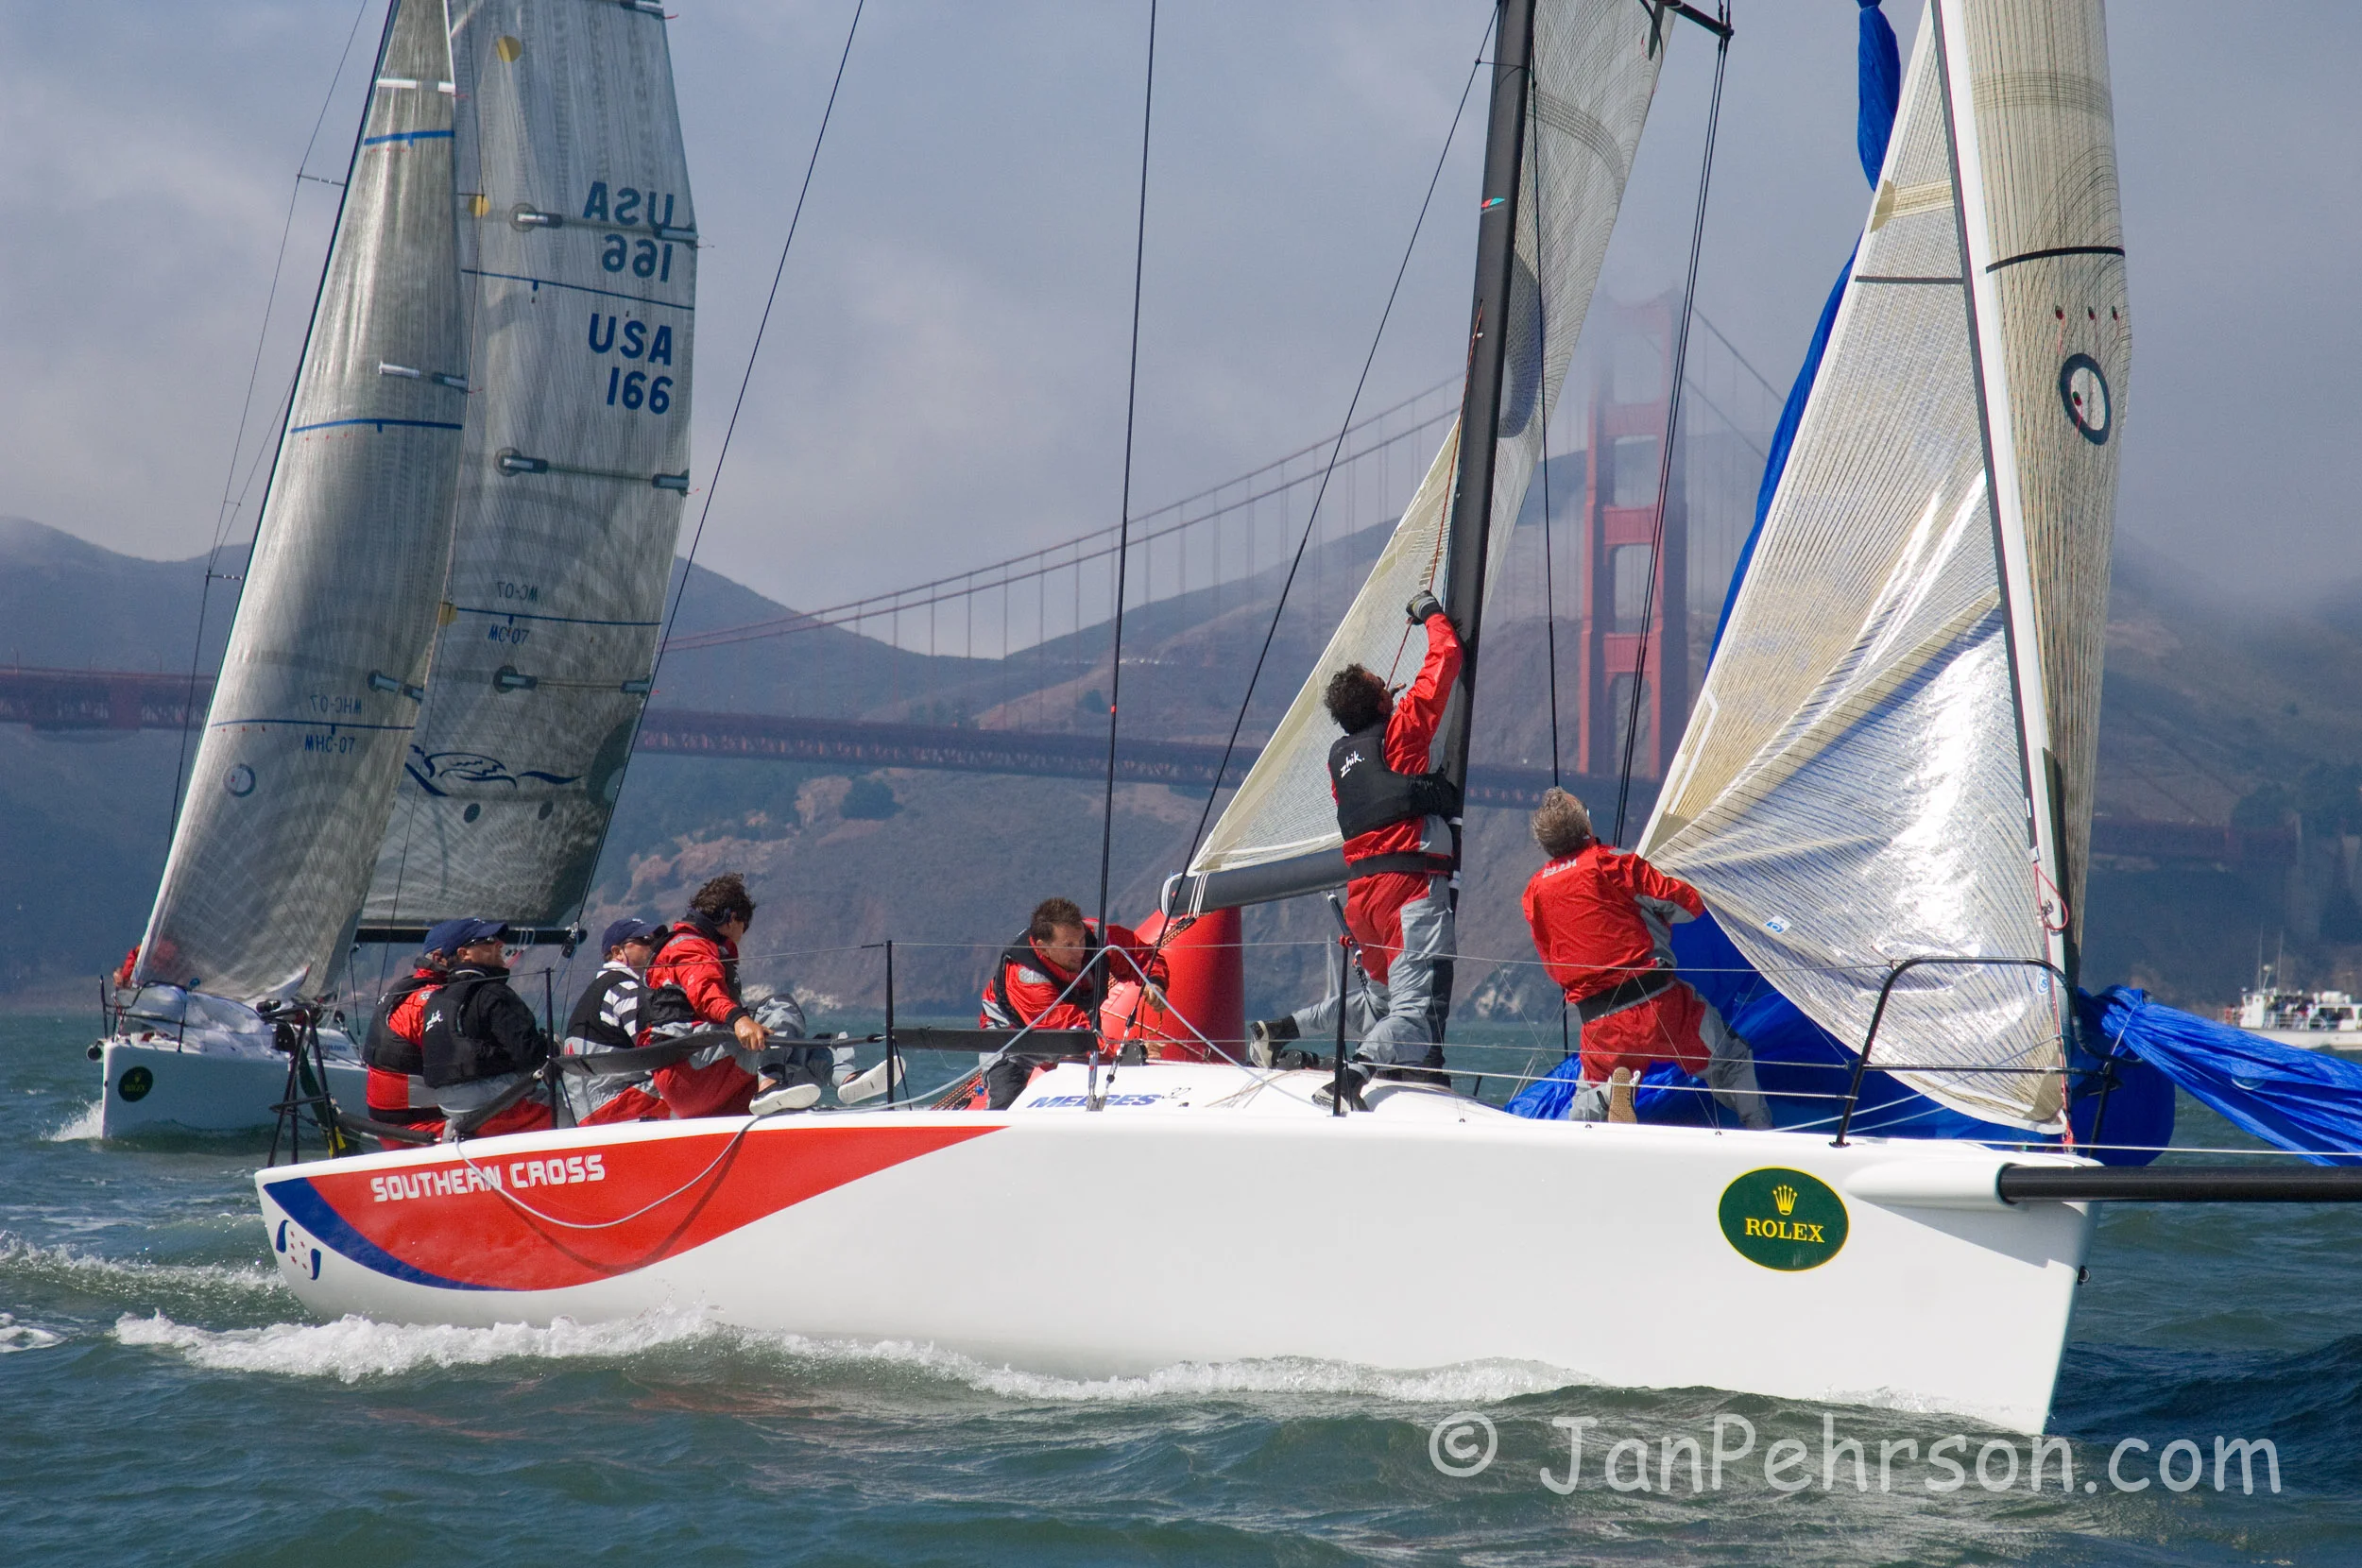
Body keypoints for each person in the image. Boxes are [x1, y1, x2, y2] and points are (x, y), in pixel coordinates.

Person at [1248, 590, 1463, 1109]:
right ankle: (1351, 1075)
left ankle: (1280, 1029)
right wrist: (1431, 613)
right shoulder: (1402, 728)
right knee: (1413, 1014)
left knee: (1378, 1000)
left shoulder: (1338, 758)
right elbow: (1447, 657)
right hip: (1408, 890)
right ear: (1381, 699)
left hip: (1362, 896)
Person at [1520, 788, 1771, 1129]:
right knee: (1730, 1059)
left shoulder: (1535, 891)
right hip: (1658, 1003)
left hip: (1598, 1018)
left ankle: (1604, 1107)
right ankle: (1760, 1130)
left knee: (1589, 1098)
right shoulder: (1612, 863)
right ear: (1585, 827)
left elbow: (1552, 959)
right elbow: (1686, 904)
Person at [642, 873, 827, 1118]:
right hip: (690, 1072)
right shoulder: (691, 946)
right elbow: (705, 991)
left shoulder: (684, 946)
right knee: (781, 1009)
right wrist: (740, 1020)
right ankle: (770, 1087)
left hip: (687, 1078)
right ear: (731, 919)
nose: (743, 934)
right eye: (744, 925)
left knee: (817, 1046)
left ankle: (846, 1078)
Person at [976, 896, 1167, 1110]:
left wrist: (1155, 982)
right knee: (1004, 1102)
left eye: (1081, 940)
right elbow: (1070, 1034)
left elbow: (1143, 956)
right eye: (1068, 945)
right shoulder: (1026, 978)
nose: (1080, 951)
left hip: (1074, 1031)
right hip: (1013, 1040)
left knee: (1103, 1085)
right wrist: (1129, 1051)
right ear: (1044, 948)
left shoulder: (1099, 937)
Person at [416, 920, 556, 1137]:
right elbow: (530, 1055)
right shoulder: (493, 993)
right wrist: (553, 1047)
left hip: (455, 1110)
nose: (499, 943)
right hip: (498, 1106)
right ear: (464, 954)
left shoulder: (435, 999)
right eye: (488, 941)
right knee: (579, 1114)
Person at [360, 928, 463, 1146]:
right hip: (422, 1131)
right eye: (463, 955)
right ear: (438, 958)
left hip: (390, 1129)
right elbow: (464, 1062)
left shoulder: (406, 991)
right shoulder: (430, 1001)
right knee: (545, 1114)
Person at [559, 917, 668, 1125]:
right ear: (618, 952)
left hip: (583, 1111)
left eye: (656, 941)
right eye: (646, 940)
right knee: (695, 1086)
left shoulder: (597, 989)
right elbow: (655, 1047)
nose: (655, 947)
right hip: (613, 1105)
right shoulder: (624, 989)